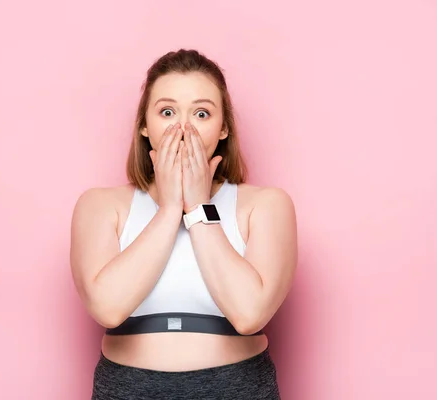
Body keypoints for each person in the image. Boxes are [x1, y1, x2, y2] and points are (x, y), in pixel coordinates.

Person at [70, 49, 297, 400]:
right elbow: (108, 307)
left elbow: (249, 314)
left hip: (236, 388)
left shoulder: (266, 204)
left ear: (223, 129)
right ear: (145, 125)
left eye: (202, 113)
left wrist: (198, 206)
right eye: (167, 112)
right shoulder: (100, 205)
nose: (183, 128)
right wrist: (170, 207)